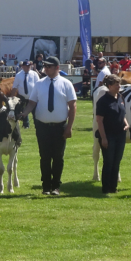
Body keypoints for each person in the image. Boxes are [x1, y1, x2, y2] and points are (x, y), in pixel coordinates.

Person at [20, 57, 77, 195]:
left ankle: (56, 186)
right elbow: (32, 103)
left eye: (49, 66)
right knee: (44, 157)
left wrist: (69, 127)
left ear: (57, 68)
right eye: (45, 66)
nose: (45, 68)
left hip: (59, 127)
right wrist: (23, 114)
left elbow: (73, 107)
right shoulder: (39, 84)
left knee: (58, 157)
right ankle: (46, 186)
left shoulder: (66, 84)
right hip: (42, 126)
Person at [95, 74, 129, 194]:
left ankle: (113, 187)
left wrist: (126, 123)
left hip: (120, 134)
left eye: (119, 84)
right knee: (108, 161)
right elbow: (99, 120)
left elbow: (122, 114)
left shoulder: (120, 98)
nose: (119, 86)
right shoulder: (103, 101)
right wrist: (103, 138)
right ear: (109, 86)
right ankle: (105, 187)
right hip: (108, 135)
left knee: (117, 161)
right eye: (116, 84)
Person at [11, 60, 40, 129]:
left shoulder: (34, 74)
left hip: (33, 97)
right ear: (22, 67)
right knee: (24, 111)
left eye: (29, 66)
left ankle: (37, 124)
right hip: (23, 97)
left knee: (35, 111)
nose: (28, 67)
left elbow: (39, 84)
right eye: (26, 66)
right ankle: (26, 125)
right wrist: (11, 98)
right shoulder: (18, 75)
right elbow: (14, 87)